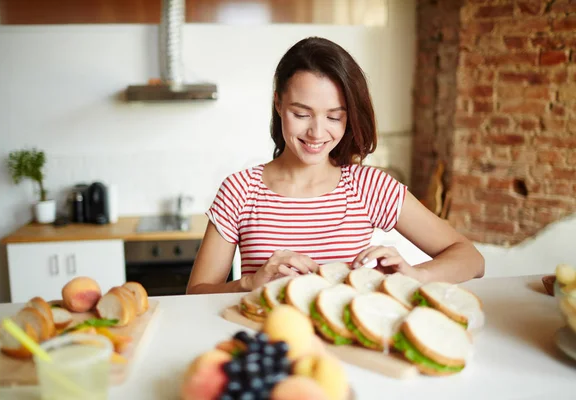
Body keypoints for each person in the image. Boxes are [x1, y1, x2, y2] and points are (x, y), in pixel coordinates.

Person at [186, 37, 484, 295]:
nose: (317, 133)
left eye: (334, 117)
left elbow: (471, 258)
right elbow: (195, 294)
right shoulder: (240, 190)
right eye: (302, 114)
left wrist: (417, 276)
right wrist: (249, 283)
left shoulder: (368, 187)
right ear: (278, 104)